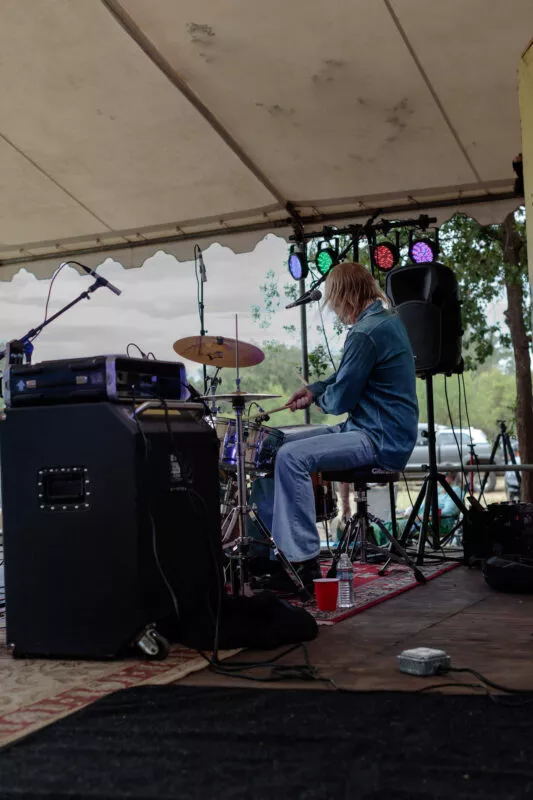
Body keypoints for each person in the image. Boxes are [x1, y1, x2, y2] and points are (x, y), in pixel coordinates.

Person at [252, 261, 419, 593]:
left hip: (377, 438)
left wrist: (320, 400)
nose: (337, 312)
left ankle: (302, 564)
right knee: (272, 443)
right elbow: (346, 376)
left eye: (335, 302)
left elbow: (341, 398)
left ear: (346, 296)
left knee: (291, 456)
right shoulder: (386, 322)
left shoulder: (364, 333)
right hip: (372, 430)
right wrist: (315, 388)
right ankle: (272, 555)